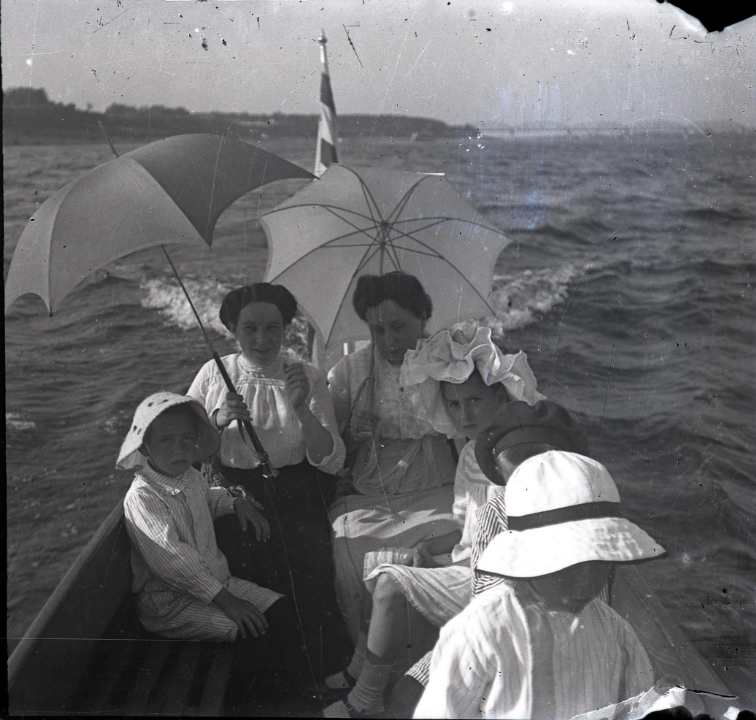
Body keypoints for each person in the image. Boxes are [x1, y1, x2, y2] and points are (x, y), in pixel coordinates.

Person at [324, 322, 544, 718]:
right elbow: (465, 528)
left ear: (499, 396)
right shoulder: (470, 453)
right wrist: (427, 546)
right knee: (382, 562)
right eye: (455, 405)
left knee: (390, 582)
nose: (465, 414)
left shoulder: (512, 455)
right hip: (469, 564)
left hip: (496, 584)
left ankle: (366, 699)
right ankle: (360, 668)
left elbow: (512, 541)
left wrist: (451, 560)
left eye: (474, 401)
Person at [414, 450, 664, 719]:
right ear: (530, 556)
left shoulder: (613, 629)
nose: (586, 582)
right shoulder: (481, 629)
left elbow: (639, 707)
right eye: (570, 564)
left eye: (600, 563)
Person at [387, 398, 594, 717]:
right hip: (496, 633)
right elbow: (483, 601)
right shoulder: (493, 514)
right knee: (406, 695)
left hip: (564, 644)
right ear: (501, 475)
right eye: (515, 478)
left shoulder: (584, 521)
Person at [119, 392, 316, 711]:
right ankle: (259, 707)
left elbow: (207, 498)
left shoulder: (190, 476)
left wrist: (235, 502)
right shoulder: (143, 498)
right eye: (166, 441)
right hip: (170, 603)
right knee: (249, 629)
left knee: (281, 610)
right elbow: (174, 564)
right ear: (144, 448)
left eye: (187, 439)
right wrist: (230, 603)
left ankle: (296, 694)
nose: (179, 449)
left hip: (215, 586)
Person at [186, 282, 348, 660]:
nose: (262, 339)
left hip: (298, 490)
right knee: (241, 556)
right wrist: (217, 420)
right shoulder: (213, 374)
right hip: (236, 492)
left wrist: (301, 408)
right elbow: (186, 449)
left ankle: (315, 662)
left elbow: (332, 460)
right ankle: (264, 659)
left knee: (309, 564)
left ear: (286, 328)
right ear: (233, 330)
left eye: (273, 328)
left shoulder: (306, 376)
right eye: (250, 329)